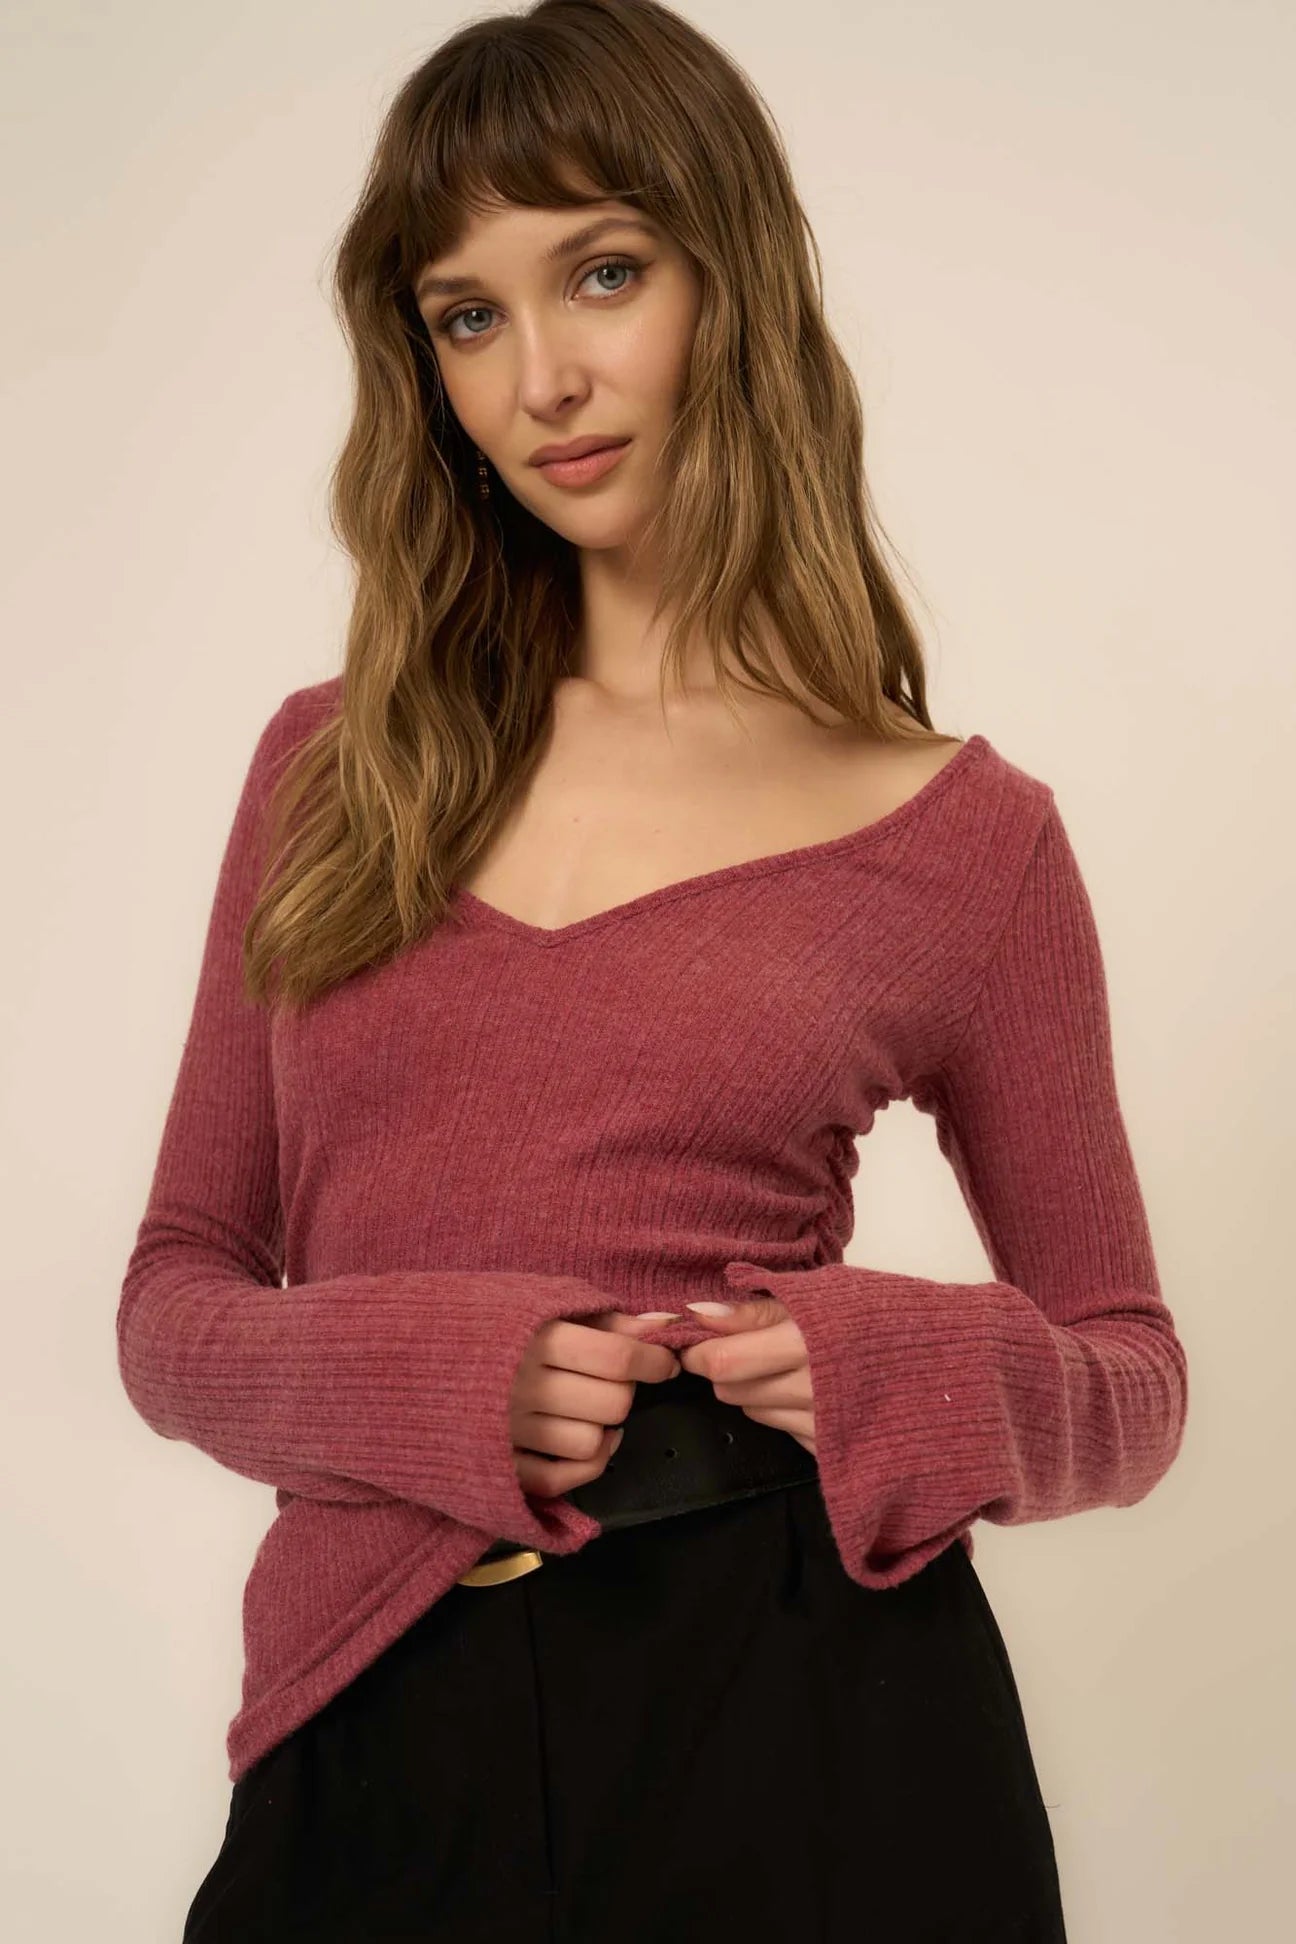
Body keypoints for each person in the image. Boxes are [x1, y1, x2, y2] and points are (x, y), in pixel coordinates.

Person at [116, 2, 1189, 1937]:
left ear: (731, 280)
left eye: (603, 272)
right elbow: (173, 1304)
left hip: (813, 1723)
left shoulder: (968, 840)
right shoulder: (332, 771)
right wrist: (436, 1376)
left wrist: (893, 1361)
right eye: (468, 315)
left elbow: (1132, 1380)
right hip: (372, 1721)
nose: (544, 377)